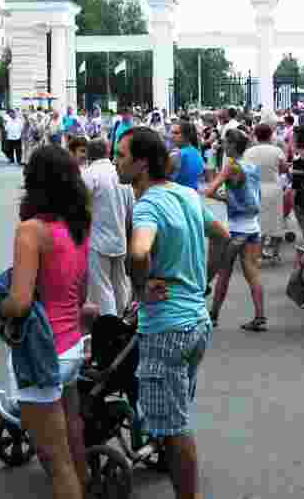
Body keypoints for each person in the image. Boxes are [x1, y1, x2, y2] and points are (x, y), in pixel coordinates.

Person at [115, 126, 226, 499]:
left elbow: (139, 251)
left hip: (167, 328)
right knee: (173, 419)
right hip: (196, 321)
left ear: (142, 164)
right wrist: (203, 281)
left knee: (174, 428)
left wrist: (142, 287)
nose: (116, 162)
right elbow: (223, 237)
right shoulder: (186, 195)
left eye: (121, 155)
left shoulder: (147, 205)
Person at [0, 145, 90, 499]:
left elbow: (19, 302)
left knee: (55, 462)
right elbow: (81, 290)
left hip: (42, 354)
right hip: (71, 345)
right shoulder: (78, 227)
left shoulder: (31, 231)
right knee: (73, 438)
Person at [204, 129, 267, 331]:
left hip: (235, 228)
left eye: (226, 142)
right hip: (253, 226)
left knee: (224, 273)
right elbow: (256, 195)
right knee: (253, 273)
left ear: (232, 145)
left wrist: (226, 198)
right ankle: (260, 317)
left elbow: (209, 190)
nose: (223, 146)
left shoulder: (231, 166)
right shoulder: (252, 167)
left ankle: (213, 315)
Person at [82, 139, 134, 316]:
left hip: (97, 240)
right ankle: (122, 319)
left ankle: (110, 323)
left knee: (102, 287)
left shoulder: (88, 175)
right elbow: (131, 210)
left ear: (89, 154)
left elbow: (80, 208)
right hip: (120, 238)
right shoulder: (121, 174)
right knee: (120, 284)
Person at [243, 123, 288, 262]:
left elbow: (245, 171)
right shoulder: (277, 151)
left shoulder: (249, 152)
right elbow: (284, 169)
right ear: (270, 135)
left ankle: (258, 252)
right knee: (275, 221)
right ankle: (275, 252)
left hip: (255, 188)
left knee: (258, 221)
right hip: (273, 187)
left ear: (256, 135)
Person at [169, 121, 204, 191]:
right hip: (192, 193)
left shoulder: (177, 154)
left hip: (178, 193)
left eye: (176, 133)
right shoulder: (196, 151)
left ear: (186, 135)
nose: (171, 136)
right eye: (171, 133)